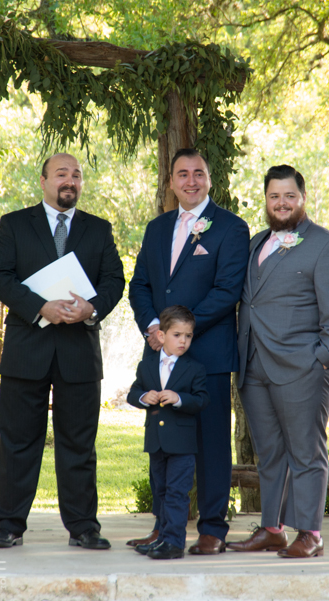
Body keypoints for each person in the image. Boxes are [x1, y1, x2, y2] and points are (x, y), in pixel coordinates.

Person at [0, 153, 125, 549]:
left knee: (79, 444)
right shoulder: (15, 224)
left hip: (79, 352)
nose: (70, 180)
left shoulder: (99, 230)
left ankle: (83, 528)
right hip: (26, 350)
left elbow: (115, 279)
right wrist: (39, 306)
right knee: (17, 442)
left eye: (77, 175)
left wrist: (92, 307)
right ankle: (8, 525)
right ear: (44, 181)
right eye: (62, 174)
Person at [227, 164, 329, 558]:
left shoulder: (325, 245)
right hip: (254, 365)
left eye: (289, 196)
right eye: (274, 196)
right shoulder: (254, 243)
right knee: (270, 453)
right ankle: (272, 528)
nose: (281, 204)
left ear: (302, 198)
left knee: (306, 452)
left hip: (303, 368)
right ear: (266, 200)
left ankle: (310, 533)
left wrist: (322, 362)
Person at [128, 148, 249, 555]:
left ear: (210, 179)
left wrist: (179, 331)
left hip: (208, 357)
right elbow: (140, 285)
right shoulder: (157, 228)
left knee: (211, 445)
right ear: (171, 181)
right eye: (183, 173)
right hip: (160, 359)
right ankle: (164, 527)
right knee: (165, 446)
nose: (191, 180)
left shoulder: (231, 228)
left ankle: (213, 529)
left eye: (199, 173)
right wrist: (154, 329)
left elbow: (227, 291)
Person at [127, 306, 210, 560]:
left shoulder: (194, 368)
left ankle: (174, 542)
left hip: (182, 444)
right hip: (156, 442)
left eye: (188, 335)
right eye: (177, 335)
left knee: (177, 492)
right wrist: (144, 396)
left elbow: (202, 400)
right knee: (161, 491)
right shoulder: (147, 365)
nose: (183, 341)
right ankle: (162, 538)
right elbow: (133, 393)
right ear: (161, 336)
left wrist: (179, 398)